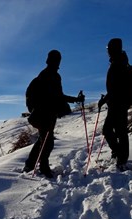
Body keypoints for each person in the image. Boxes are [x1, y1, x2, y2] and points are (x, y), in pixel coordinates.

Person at [24, 50, 84, 178]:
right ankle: (43, 168)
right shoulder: (51, 76)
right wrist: (75, 100)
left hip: (46, 113)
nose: (57, 63)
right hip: (45, 114)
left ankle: (29, 164)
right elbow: (58, 96)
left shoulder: (49, 75)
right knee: (48, 141)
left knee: (43, 139)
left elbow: (58, 96)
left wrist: (75, 100)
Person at [98, 38, 131, 171]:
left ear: (114, 49)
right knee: (118, 130)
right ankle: (119, 155)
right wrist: (105, 99)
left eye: (109, 49)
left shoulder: (119, 64)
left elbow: (115, 88)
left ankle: (121, 157)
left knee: (115, 130)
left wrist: (106, 99)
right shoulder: (120, 62)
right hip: (116, 103)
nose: (107, 52)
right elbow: (113, 88)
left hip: (118, 103)